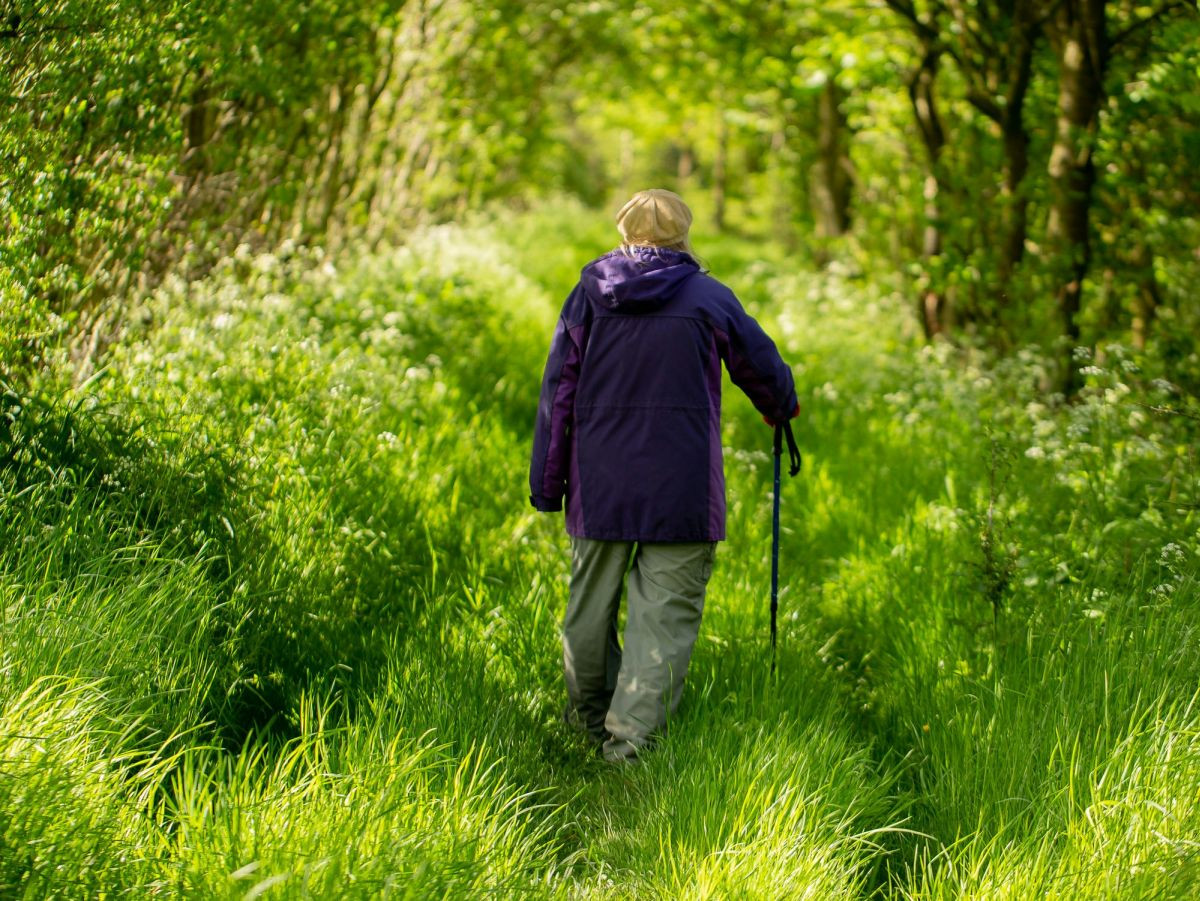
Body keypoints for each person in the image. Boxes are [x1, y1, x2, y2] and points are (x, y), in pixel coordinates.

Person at [529, 189, 799, 764]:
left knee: (588, 608)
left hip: (599, 483)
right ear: (684, 234)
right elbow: (763, 366)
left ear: (624, 232)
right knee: (664, 616)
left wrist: (547, 484)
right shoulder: (708, 296)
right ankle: (628, 746)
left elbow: (559, 392)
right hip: (682, 487)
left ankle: (587, 722)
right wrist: (780, 407)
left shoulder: (587, 296)